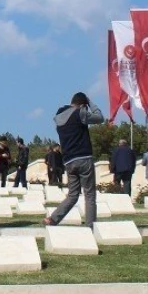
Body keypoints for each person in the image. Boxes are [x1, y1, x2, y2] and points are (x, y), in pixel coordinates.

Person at [44, 92, 105, 229]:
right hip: (84, 158)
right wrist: (91, 104)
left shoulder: (59, 117)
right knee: (89, 195)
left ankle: (53, 219)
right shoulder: (80, 113)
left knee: (73, 195)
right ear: (82, 105)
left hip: (69, 161)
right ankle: (90, 226)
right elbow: (100, 118)